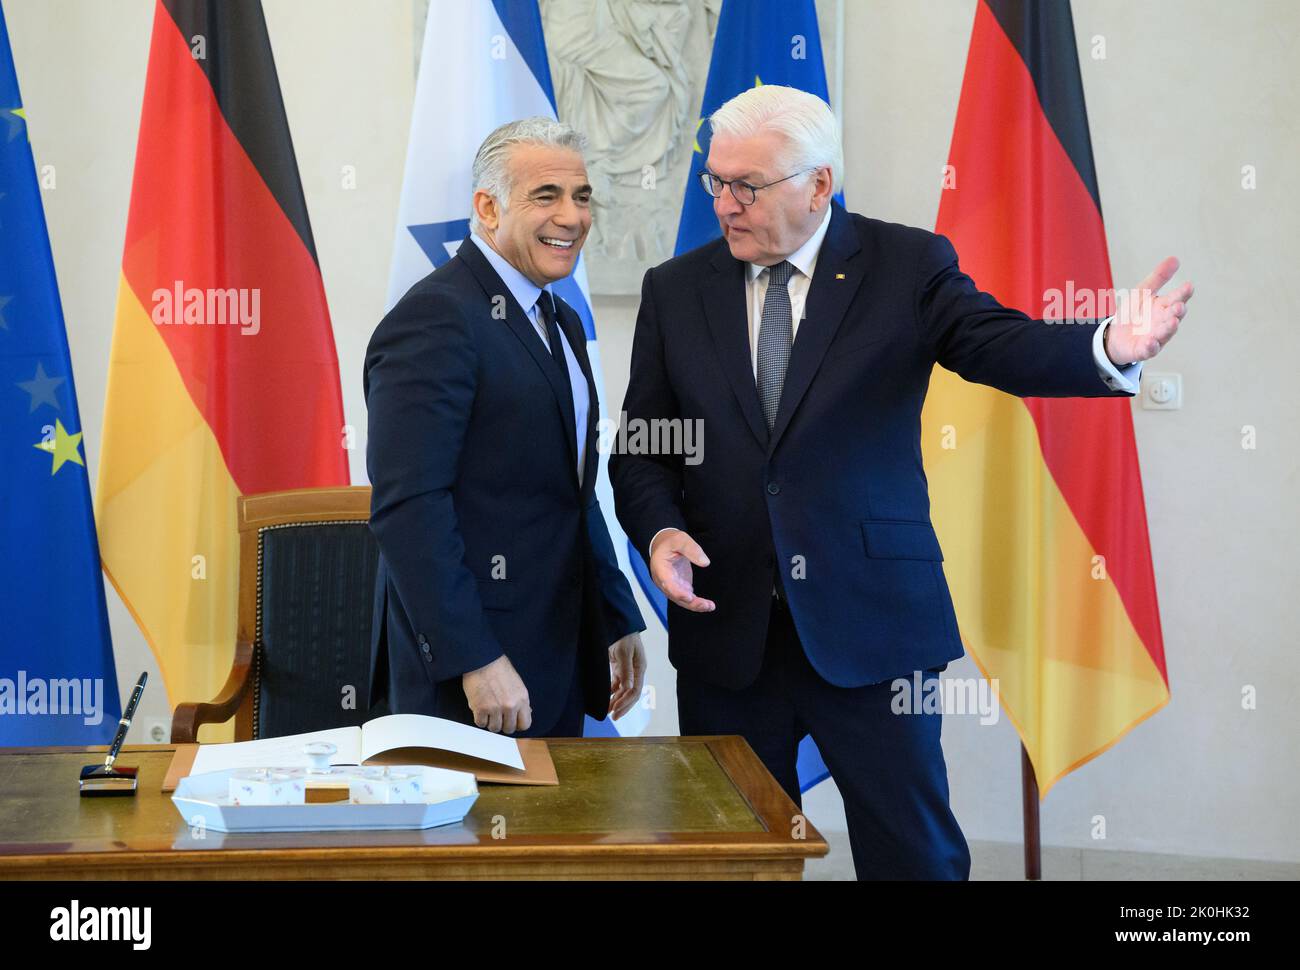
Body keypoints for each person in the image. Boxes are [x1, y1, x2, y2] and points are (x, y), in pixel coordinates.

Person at [610, 85, 1191, 878]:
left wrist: (1107, 346)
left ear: (818, 185)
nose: (725, 204)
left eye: (748, 185)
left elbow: (999, 346)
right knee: (730, 859)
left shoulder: (904, 265)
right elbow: (643, 445)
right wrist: (658, 529)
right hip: (727, 627)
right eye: (715, 181)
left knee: (912, 855)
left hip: (872, 627)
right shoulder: (676, 289)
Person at [366, 117, 645, 737]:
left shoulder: (562, 318)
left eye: (581, 196)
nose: (571, 217)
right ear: (488, 208)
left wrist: (616, 613)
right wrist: (475, 657)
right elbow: (409, 506)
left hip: (558, 655)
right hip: (475, 679)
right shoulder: (437, 317)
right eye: (545, 196)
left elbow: (572, 491)